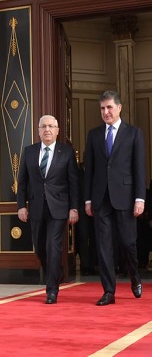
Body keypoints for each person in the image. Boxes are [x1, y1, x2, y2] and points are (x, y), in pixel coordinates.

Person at [84, 90, 145, 306]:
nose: (106, 112)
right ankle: (109, 291)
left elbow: (139, 168)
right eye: (102, 108)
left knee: (128, 243)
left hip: (125, 197)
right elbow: (89, 170)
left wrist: (140, 198)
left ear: (119, 108)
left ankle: (134, 276)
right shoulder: (93, 135)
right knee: (104, 247)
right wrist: (88, 200)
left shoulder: (134, 133)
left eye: (109, 107)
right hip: (100, 199)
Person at [17, 115, 79, 304]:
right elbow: (22, 182)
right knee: (39, 247)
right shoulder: (29, 151)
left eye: (51, 126)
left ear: (57, 130)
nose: (47, 129)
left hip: (58, 208)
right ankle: (55, 271)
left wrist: (74, 208)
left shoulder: (66, 152)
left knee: (53, 245)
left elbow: (73, 182)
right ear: (38, 130)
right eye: (43, 126)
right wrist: (21, 206)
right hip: (36, 207)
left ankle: (51, 290)